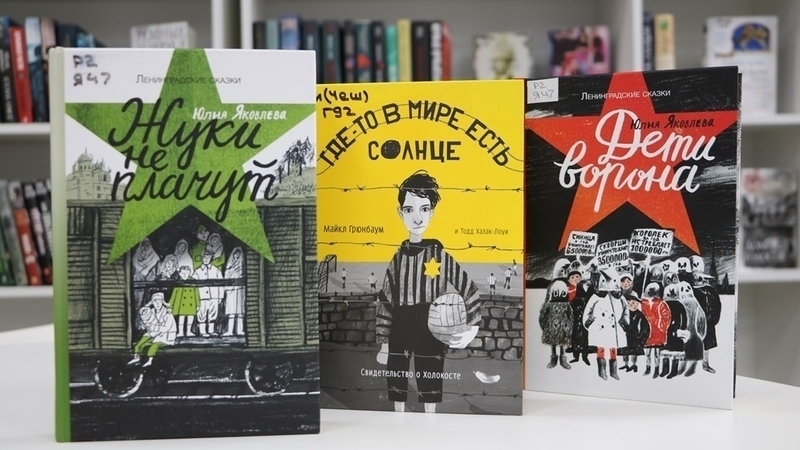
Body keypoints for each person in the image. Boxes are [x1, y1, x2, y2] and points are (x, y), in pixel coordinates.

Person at [375, 170, 481, 414]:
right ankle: (398, 416)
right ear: (400, 212)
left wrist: (471, 327)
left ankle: (430, 417)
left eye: (424, 209)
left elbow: (469, 288)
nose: (417, 217)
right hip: (400, 323)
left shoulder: (439, 256)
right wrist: (383, 344)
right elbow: (385, 302)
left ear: (432, 211)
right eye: (409, 209)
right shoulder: (397, 259)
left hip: (431, 323)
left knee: (430, 375)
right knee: (396, 373)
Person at [129, 292, 177, 367]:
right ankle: (136, 358)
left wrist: (154, 327)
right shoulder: (150, 311)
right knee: (140, 344)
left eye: (159, 301)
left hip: (165, 335)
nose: (157, 304)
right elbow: (147, 322)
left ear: (162, 302)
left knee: (154, 346)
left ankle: (149, 361)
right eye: (155, 301)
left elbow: (167, 328)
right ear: (152, 303)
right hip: (153, 333)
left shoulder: (168, 314)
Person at [193, 250, 223, 337]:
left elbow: (221, 284)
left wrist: (220, 296)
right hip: (202, 297)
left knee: (213, 313)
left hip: (214, 296)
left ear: (211, 258)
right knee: (201, 314)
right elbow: (194, 286)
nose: (206, 259)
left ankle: (211, 330)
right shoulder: (197, 271)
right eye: (205, 257)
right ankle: (202, 331)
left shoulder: (216, 270)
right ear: (202, 258)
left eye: (208, 257)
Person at [223, 247, 245, 336]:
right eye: (235, 253)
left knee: (240, 312)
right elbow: (226, 277)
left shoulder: (243, 267)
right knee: (231, 312)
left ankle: (240, 330)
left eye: (239, 254)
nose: (237, 255)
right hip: (231, 291)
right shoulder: (229, 267)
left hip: (240, 290)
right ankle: (230, 331)